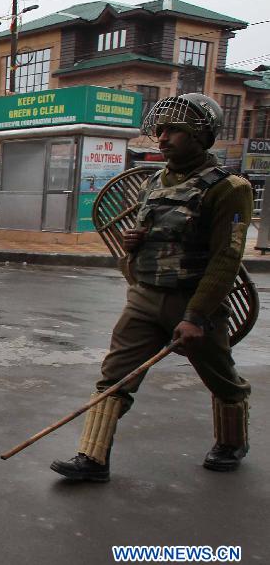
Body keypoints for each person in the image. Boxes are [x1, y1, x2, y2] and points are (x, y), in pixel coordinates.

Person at [51, 93, 253, 483]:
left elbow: (226, 258)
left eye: (174, 130)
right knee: (115, 378)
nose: (162, 138)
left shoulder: (230, 188)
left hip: (196, 303)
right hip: (144, 298)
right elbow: (147, 240)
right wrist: (134, 242)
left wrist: (196, 315)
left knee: (221, 378)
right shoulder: (152, 183)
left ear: (202, 134)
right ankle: (92, 458)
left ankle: (232, 441)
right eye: (159, 130)